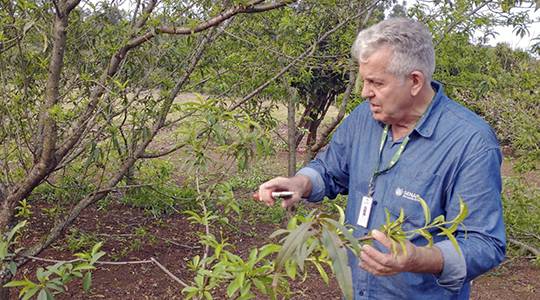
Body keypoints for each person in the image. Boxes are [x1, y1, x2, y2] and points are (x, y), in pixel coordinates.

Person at [256, 18, 506, 299]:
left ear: (414, 81)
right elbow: (329, 169)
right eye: (365, 81)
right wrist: (299, 183)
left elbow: (484, 243)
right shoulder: (364, 118)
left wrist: (417, 259)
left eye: (376, 82)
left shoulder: (470, 142)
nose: (365, 93)